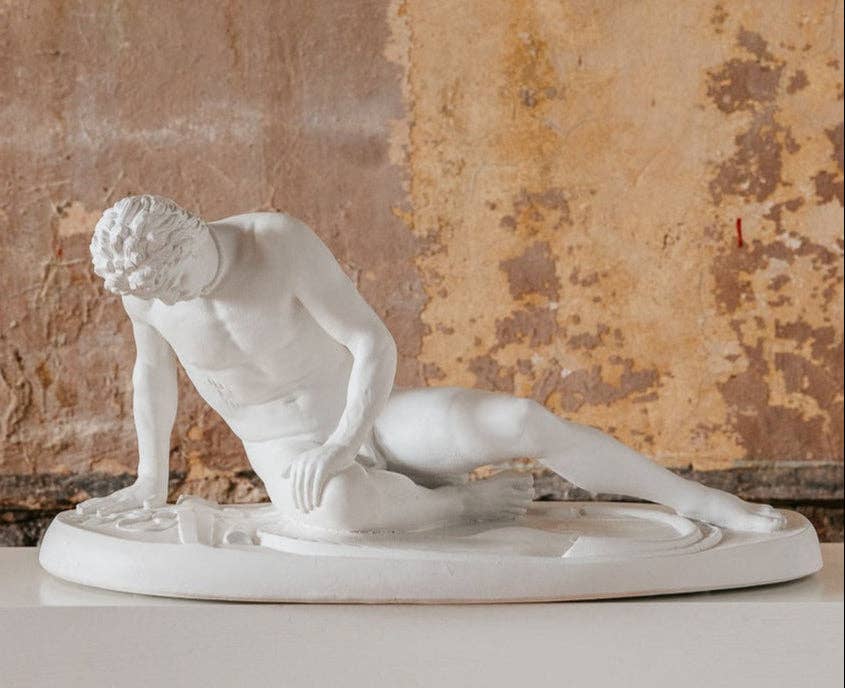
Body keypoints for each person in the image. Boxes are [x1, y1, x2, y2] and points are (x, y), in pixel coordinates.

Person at [77, 195, 783, 534]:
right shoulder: (149, 292)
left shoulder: (277, 242)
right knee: (337, 508)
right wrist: (149, 481)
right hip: (287, 448)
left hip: (371, 415)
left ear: (194, 232)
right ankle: (458, 506)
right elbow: (153, 377)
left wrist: (345, 440)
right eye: (161, 294)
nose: (176, 300)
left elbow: (372, 343)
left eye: (179, 281)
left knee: (519, 419)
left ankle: (696, 501)